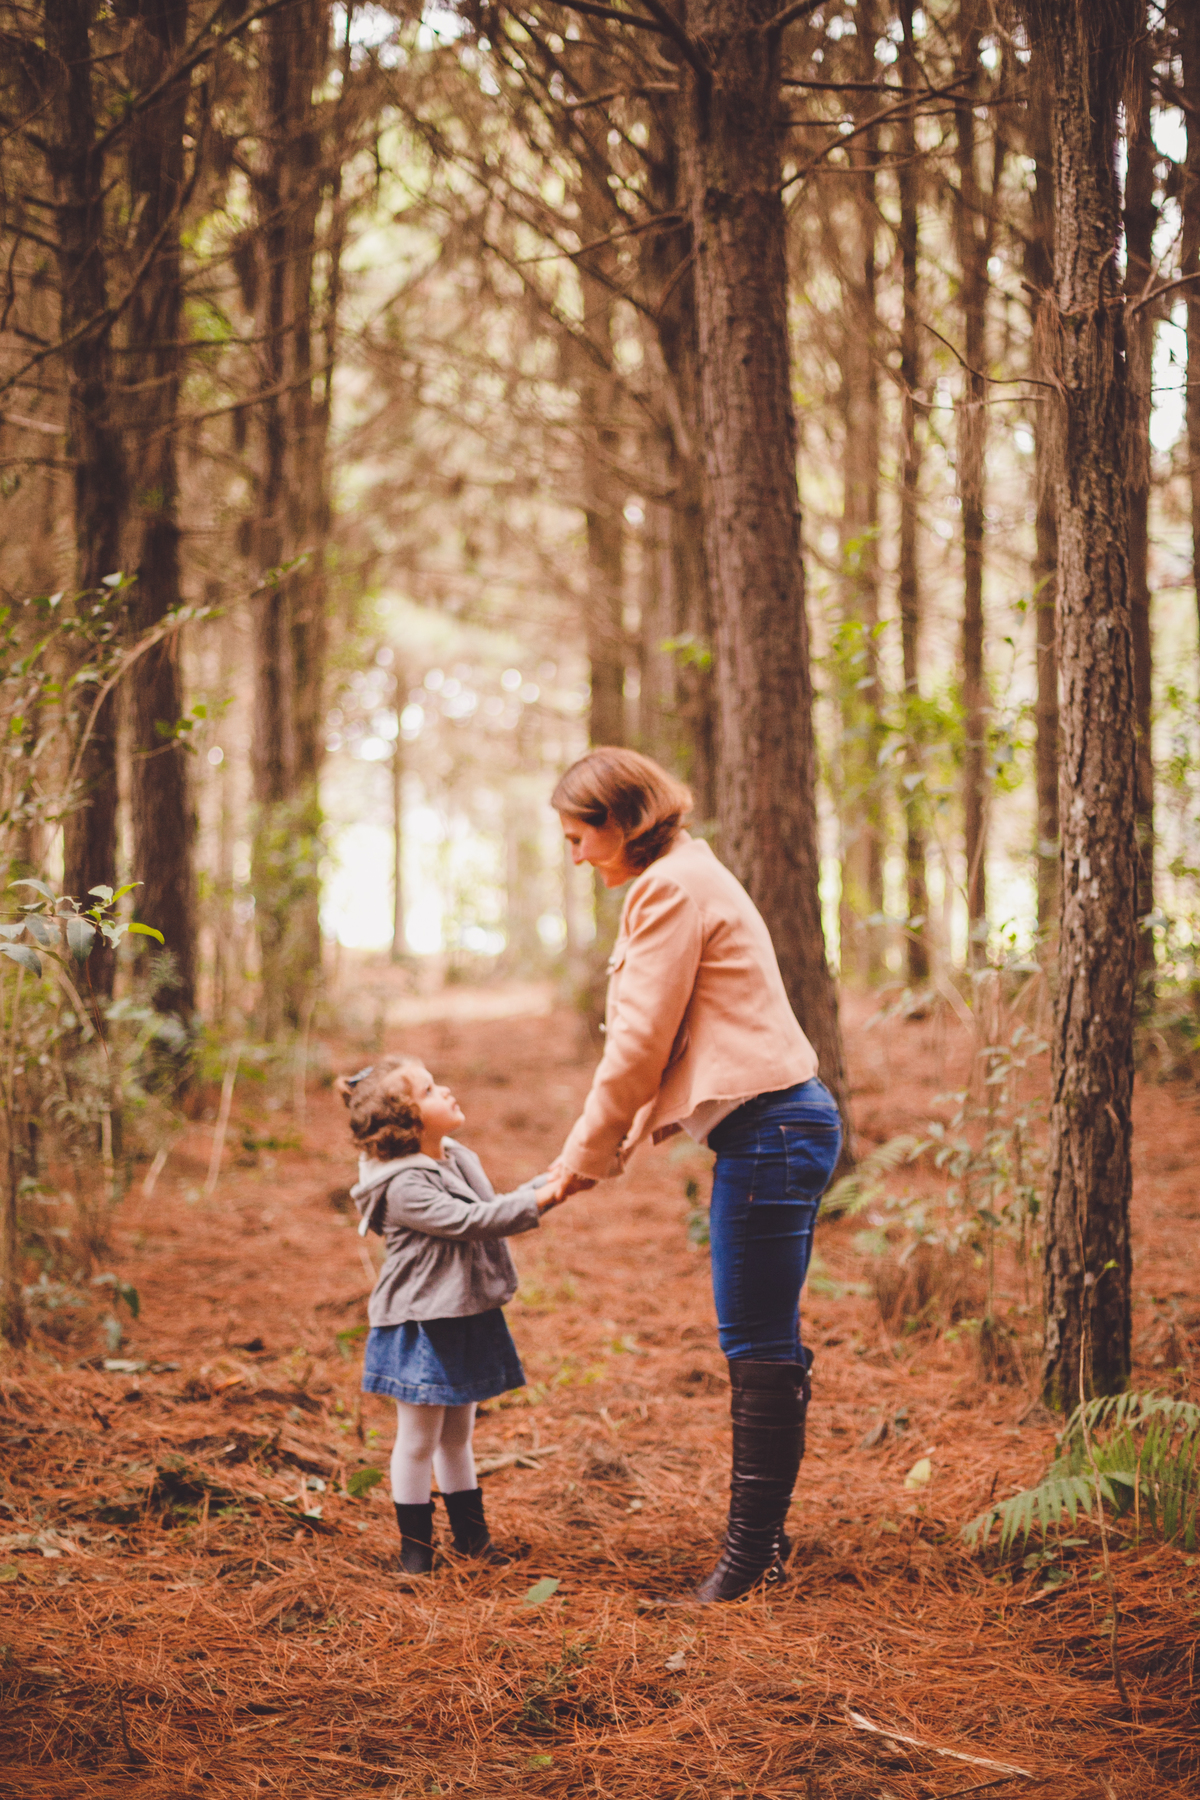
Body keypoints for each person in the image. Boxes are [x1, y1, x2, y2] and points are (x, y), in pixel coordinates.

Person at [538, 747, 843, 1603]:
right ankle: (761, 1550)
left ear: (622, 823)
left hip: (771, 1131)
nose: (575, 857)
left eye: (578, 837)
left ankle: (748, 1563)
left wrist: (576, 1162)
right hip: (773, 1129)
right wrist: (608, 1154)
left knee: (757, 1347)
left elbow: (636, 1046)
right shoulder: (688, 872)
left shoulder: (667, 887)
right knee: (763, 1341)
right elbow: (670, 1037)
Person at [336, 1055, 553, 1575]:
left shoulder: (453, 1159)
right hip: (421, 1324)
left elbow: (493, 1203)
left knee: (457, 1436)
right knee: (417, 1441)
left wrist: (556, 1178)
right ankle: (416, 1552)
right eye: (431, 1090)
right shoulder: (404, 1185)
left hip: (460, 1312)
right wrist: (551, 1196)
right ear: (409, 1123)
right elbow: (472, 1221)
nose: (447, 1090)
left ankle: (473, 1540)